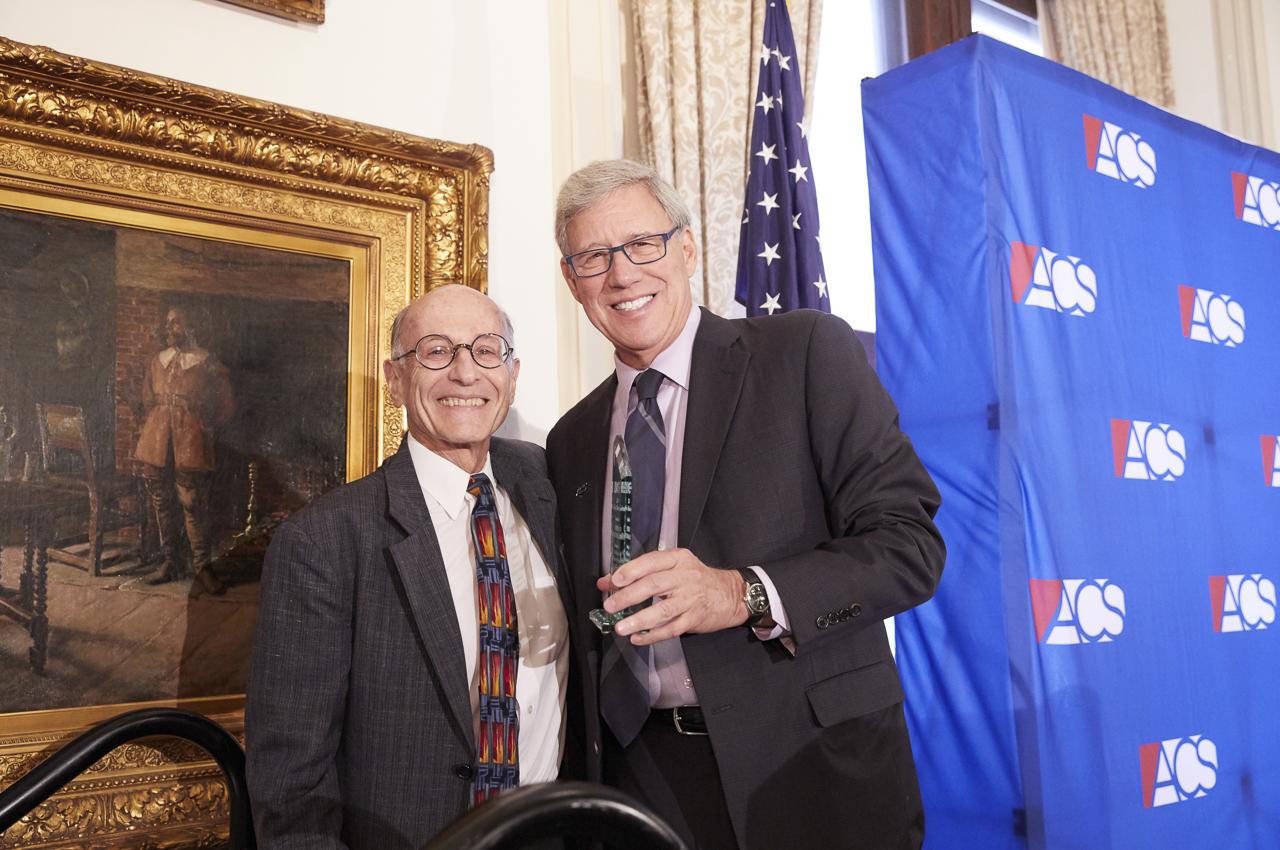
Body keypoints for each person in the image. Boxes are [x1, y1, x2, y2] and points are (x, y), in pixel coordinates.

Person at [546, 160, 946, 850]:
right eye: (593, 257)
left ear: (689, 248)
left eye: (643, 244)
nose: (622, 274)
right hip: (638, 781)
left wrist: (743, 595)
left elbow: (910, 546)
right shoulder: (571, 438)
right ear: (571, 279)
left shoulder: (804, 352)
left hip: (807, 769)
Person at [245, 285, 570, 850]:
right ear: (395, 379)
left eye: (486, 350)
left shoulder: (546, 485)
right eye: (436, 351)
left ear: (512, 375)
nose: (465, 374)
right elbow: (290, 783)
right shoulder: (324, 540)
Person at [133, 305, 234, 595]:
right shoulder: (157, 361)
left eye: (176, 323)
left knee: (192, 503)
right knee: (162, 503)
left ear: (192, 327)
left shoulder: (207, 363)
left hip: (190, 442)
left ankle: (202, 567)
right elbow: (146, 399)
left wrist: (205, 425)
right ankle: (170, 562)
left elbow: (226, 406)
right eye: (168, 322)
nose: (170, 328)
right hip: (157, 442)